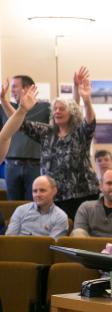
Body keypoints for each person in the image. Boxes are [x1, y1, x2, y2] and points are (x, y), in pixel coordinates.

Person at [2, 67, 100, 219]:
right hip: (54, 197)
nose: (57, 111)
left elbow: (90, 122)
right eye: (55, 109)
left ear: (72, 113)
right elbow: (19, 123)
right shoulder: (46, 132)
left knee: (76, 235)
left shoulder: (79, 132)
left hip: (81, 195)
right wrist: (5, 102)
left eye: (62, 109)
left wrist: (86, 101)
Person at [0, 75, 50, 200]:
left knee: (34, 205)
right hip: (11, 166)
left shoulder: (45, 108)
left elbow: (24, 124)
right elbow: (15, 121)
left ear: (28, 88)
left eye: (14, 87)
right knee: (12, 206)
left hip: (34, 166)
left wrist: (21, 109)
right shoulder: (4, 108)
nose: (11, 90)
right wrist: (3, 100)